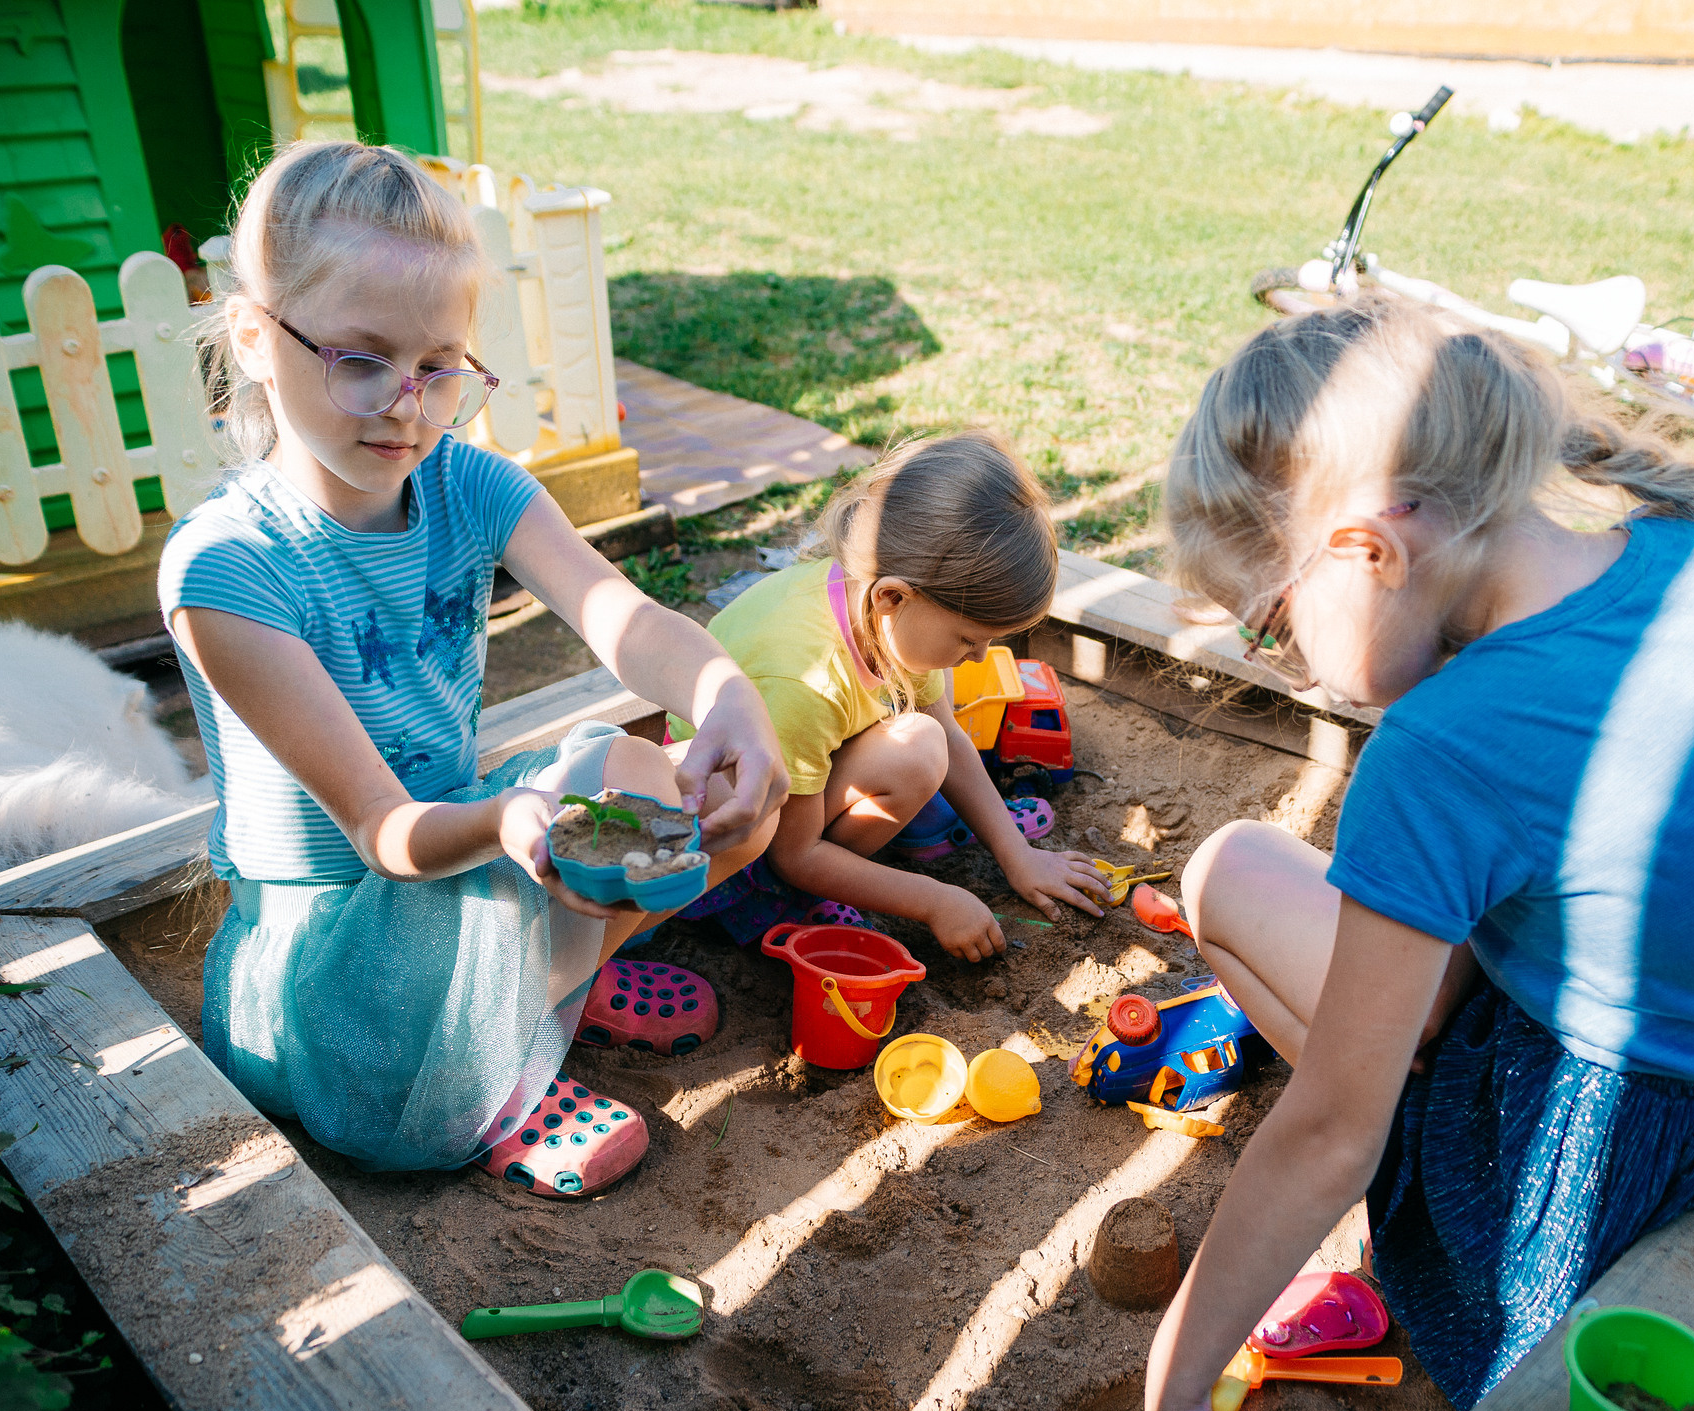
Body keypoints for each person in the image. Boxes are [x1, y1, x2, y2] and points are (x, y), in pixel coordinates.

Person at [1140, 299, 1694, 1411]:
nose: (1283, 665)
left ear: (1366, 549)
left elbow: (1330, 1134)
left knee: (1229, 870)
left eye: (1271, 626)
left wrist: (1177, 1378)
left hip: (1603, 1159)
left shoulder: (1441, 747)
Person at [159, 140, 784, 1198]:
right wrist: (512, 819)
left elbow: (624, 619)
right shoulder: (230, 570)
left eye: (439, 366)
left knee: (714, 796)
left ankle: (535, 1001)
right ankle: (489, 1077)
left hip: (452, 889)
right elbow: (382, 833)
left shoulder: (465, 482)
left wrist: (732, 699)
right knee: (616, 785)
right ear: (257, 341)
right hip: (337, 990)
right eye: (360, 359)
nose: (406, 406)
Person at [679, 433, 1110, 958]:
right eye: (969, 639)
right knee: (913, 756)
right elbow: (795, 852)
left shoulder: (884, 611)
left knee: (927, 744)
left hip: (805, 772)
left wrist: (1016, 855)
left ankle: (907, 830)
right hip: (733, 839)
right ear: (892, 596)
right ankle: (786, 903)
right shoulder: (803, 682)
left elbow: (948, 737)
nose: (978, 657)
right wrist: (934, 900)